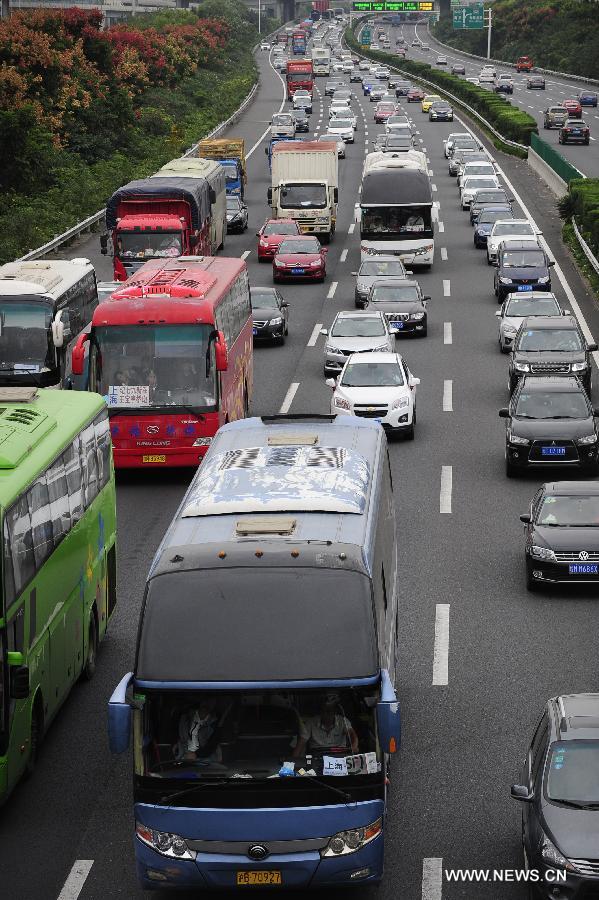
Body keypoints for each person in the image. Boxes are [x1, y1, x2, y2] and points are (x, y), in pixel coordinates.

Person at [293, 693, 358, 758]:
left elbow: (352, 735)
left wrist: (353, 747)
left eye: (329, 711)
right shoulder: (311, 722)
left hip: (339, 756)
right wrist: (293, 762)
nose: (326, 714)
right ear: (320, 712)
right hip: (317, 757)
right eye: (324, 711)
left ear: (335, 712)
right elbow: (301, 744)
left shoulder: (343, 721)